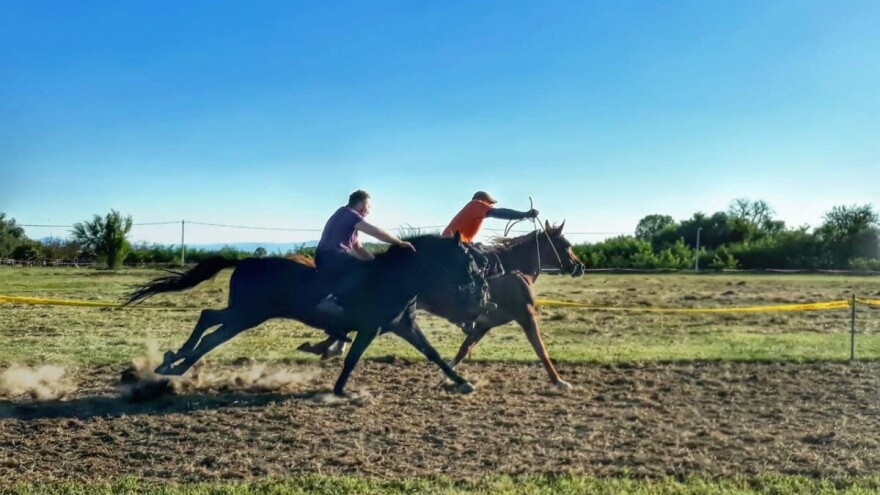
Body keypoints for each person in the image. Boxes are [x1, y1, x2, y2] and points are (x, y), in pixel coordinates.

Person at [314, 190, 415, 301]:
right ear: (362, 205)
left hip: (324, 257)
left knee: (366, 268)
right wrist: (399, 242)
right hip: (333, 257)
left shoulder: (342, 214)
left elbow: (359, 248)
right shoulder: (351, 215)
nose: (369, 211)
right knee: (361, 272)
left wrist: (376, 263)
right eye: (369, 206)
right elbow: (376, 232)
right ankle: (333, 299)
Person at [442, 191, 538, 243]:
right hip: (452, 242)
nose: (491, 206)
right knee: (482, 261)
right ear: (483, 200)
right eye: (490, 203)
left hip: (454, 241)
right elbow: (499, 212)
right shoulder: (476, 204)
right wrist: (524, 214)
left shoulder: (471, 208)